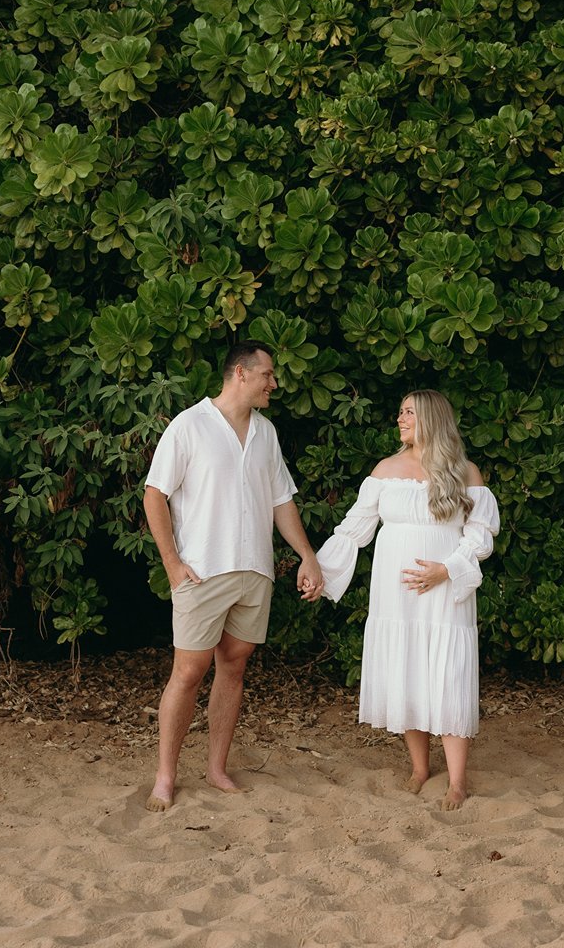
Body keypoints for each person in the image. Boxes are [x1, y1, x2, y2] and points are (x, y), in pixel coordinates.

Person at [142, 341, 324, 812]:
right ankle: (165, 777)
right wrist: (171, 563)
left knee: (234, 665)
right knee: (188, 671)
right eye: (268, 374)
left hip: (254, 570)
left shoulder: (266, 433)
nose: (274, 383)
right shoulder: (190, 425)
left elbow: (281, 501)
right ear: (241, 374)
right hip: (202, 571)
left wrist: (306, 554)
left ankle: (217, 769)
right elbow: (154, 495)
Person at [317, 389, 500, 811]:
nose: (399, 418)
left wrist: (446, 569)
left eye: (409, 412)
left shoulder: (464, 471)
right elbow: (354, 529)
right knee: (409, 669)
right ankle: (420, 768)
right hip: (396, 593)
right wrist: (320, 572)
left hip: (445, 590)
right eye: (399, 411)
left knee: (448, 672)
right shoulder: (386, 469)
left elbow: (480, 535)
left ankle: (457, 781)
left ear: (432, 418)